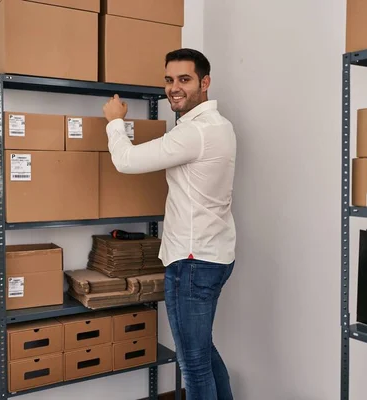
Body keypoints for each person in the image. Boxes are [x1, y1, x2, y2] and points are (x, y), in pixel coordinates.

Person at [102, 48, 237, 400]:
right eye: (169, 80)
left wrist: (115, 120)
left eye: (184, 79)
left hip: (192, 262)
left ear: (205, 82)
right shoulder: (219, 126)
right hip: (215, 254)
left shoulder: (194, 132)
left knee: (193, 366)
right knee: (203, 352)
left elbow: (126, 160)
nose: (174, 88)